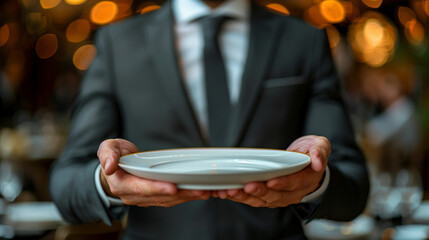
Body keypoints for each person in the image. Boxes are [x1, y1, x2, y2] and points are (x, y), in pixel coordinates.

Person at [49, 0, 370, 239]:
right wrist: (108, 181)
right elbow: (65, 186)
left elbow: (354, 186)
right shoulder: (118, 44)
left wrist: (316, 180)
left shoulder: (303, 41)